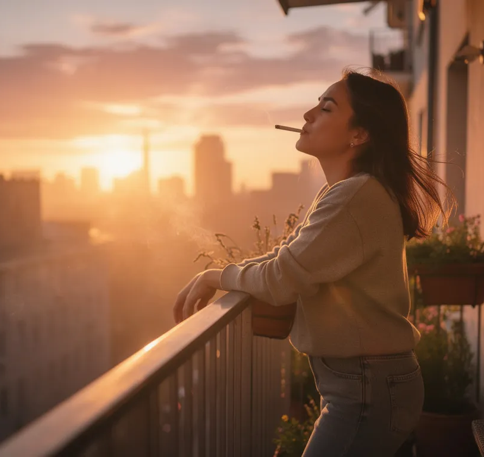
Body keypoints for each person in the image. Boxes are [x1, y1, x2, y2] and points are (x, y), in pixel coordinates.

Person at [172, 68, 452, 456]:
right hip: (362, 385)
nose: (306, 115)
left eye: (325, 108)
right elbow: (285, 257)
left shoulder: (355, 197)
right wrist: (218, 276)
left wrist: (216, 276)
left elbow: (281, 277)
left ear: (359, 134)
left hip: (366, 389)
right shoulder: (344, 192)